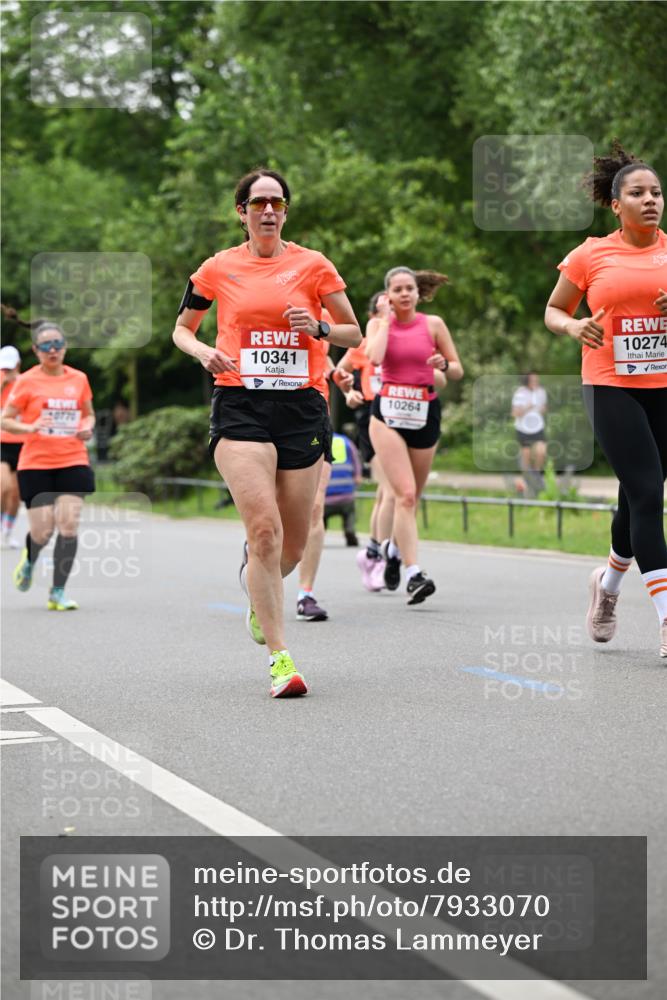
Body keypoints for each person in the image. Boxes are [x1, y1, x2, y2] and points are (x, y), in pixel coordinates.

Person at [172, 168, 361, 696]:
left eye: (277, 202)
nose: (269, 211)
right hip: (240, 404)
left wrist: (320, 328)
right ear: (242, 212)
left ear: (286, 211)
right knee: (264, 532)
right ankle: (281, 660)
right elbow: (181, 329)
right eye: (259, 203)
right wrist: (203, 351)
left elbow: (353, 332)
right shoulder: (218, 267)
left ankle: (259, 588)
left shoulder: (314, 265)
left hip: (302, 407)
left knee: (291, 547)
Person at [544, 141, 667, 656]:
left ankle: (608, 585)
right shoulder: (591, 253)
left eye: (656, 192)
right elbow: (554, 310)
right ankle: (666, 619)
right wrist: (574, 326)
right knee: (648, 495)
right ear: (616, 205)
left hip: (663, 386)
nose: (650, 200)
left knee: (636, 496)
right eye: (637, 193)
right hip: (610, 384)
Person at [366, 266, 463, 604]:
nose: (405, 294)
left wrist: (443, 365)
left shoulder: (433, 324)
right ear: (388, 296)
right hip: (388, 415)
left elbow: (457, 369)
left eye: (410, 288)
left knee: (413, 498)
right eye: (398, 289)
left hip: (424, 411)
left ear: (418, 293)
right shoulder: (378, 324)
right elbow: (374, 357)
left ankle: (394, 550)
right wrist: (384, 320)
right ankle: (414, 573)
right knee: (404, 495)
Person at [1, 321, 96, 610]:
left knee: (68, 525)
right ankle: (30, 559)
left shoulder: (79, 379)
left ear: (65, 347)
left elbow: (88, 414)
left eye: (57, 344)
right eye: (45, 346)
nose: (52, 350)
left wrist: (87, 427)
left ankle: (57, 591)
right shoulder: (26, 381)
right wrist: (30, 427)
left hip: (73, 458)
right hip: (36, 463)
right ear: (35, 350)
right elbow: (5, 420)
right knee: (42, 532)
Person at [337, 291, 396, 591]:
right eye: (384, 308)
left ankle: (373, 552)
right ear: (373, 314)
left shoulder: (403, 339)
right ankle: (382, 556)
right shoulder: (364, 344)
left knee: (389, 492)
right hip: (371, 414)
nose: (390, 312)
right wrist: (349, 393)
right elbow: (339, 372)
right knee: (391, 490)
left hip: (399, 413)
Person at [1, 345, 25, 547]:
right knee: (4, 486)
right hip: (2, 442)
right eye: (3, 369)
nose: (7, 372)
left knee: (16, 494)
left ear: (18, 365)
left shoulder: (27, 383)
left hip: (24, 444)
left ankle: (7, 532)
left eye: (10, 368)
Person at [511, 370, 547, 496]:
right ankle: (526, 481)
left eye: (537, 379)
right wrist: (527, 407)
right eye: (533, 380)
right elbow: (515, 413)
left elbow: (543, 408)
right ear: (527, 381)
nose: (536, 382)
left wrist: (542, 409)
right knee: (526, 456)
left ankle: (537, 475)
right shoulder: (520, 393)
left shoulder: (541, 392)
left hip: (537, 427)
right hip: (523, 428)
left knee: (541, 451)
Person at [323, 431, 362, 545]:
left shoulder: (319, 441)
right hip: (346, 496)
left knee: (321, 517)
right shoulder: (347, 442)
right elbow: (357, 467)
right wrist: (357, 479)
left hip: (325, 497)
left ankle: (320, 531)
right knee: (350, 514)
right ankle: (349, 529)